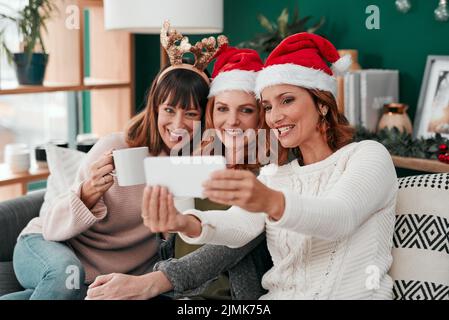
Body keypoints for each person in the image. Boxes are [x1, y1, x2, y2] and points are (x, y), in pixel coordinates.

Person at [142, 33, 399, 300]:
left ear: (322, 104)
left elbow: (340, 217)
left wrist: (270, 201)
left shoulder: (367, 155)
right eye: (267, 106)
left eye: (287, 100)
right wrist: (184, 222)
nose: (275, 116)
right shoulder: (276, 174)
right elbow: (238, 225)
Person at [0, 22, 218, 300]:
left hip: (95, 280)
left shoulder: (196, 167)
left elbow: (180, 250)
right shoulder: (117, 145)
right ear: (154, 109)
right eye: (169, 110)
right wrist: (88, 193)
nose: (178, 123)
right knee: (66, 275)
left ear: (205, 119)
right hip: (48, 246)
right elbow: (52, 225)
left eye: (191, 114)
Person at [85, 46, 277, 300]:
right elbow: (171, 240)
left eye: (246, 110)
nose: (231, 121)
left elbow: (233, 241)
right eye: (222, 108)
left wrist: (151, 282)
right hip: (179, 293)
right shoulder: (196, 156)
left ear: (260, 115)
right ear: (211, 112)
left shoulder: (269, 168)